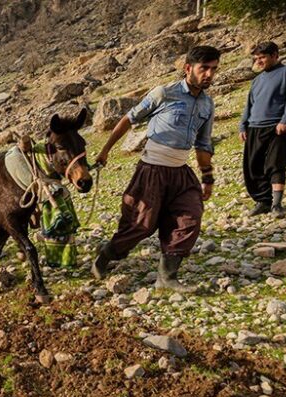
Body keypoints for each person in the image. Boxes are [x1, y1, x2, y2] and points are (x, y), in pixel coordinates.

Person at [91, 45, 221, 293]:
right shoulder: (164, 93)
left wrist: (208, 177)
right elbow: (129, 119)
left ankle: (167, 277)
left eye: (213, 69)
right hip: (152, 169)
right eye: (204, 68)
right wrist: (105, 150)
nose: (209, 75)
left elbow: (204, 143)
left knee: (190, 217)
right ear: (188, 69)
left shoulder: (207, 105)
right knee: (141, 225)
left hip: (181, 172)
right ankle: (106, 255)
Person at [239, 41, 286, 218]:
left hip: (277, 127)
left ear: (275, 55)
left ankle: (276, 204)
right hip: (253, 128)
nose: (259, 61)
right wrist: (242, 125)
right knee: (253, 167)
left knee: (276, 164)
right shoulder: (257, 80)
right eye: (256, 58)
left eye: (262, 57)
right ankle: (263, 202)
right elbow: (249, 104)